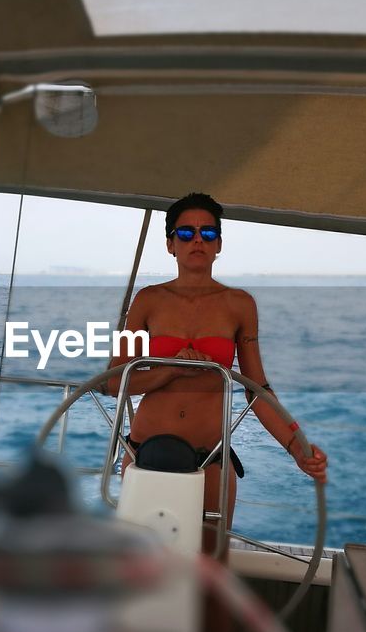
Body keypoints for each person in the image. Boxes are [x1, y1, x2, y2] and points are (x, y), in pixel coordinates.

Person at [108, 192, 328, 560]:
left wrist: (296, 449)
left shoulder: (241, 305)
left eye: (208, 234)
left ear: (219, 244)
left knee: (211, 577)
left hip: (209, 459)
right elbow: (114, 382)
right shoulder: (147, 301)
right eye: (187, 233)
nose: (198, 240)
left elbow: (258, 390)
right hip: (144, 451)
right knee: (135, 574)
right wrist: (169, 371)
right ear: (170, 244)